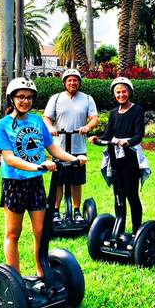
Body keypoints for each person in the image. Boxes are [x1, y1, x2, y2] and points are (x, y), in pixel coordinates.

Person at [0, 77, 87, 277]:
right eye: (20, 97)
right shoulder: (2, 126)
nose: (25, 101)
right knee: (13, 233)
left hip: (36, 184)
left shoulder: (36, 120)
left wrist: (75, 158)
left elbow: (52, 148)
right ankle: (14, 279)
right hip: (14, 184)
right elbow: (9, 159)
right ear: (12, 99)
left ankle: (42, 273)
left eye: (29, 98)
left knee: (42, 232)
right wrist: (38, 166)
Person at [88, 77, 150, 241]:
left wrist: (128, 141)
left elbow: (139, 134)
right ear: (114, 94)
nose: (121, 94)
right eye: (118, 92)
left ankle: (137, 231)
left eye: (124, 91)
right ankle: (119, 229)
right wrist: (97, 139)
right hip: (116, 158)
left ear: (129, 92)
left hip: (130, 157)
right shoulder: (114, 113)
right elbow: (108, 135)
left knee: (131, 195)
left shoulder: (137, 110)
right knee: (118, 195)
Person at [43, 69, 99, 226]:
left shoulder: (87, 99)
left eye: (75, 80)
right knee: (59, 181)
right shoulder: (56, 98)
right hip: (59, 147)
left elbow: (94, 118)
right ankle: (55, 212)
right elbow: (47, 118)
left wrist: (87, 127)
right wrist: (50, 128)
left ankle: (76, 211)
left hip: (78, 146)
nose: (72, 83)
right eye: (69, 80)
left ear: (79, 83)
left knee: (76, 181)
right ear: (65, 83)